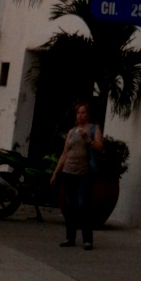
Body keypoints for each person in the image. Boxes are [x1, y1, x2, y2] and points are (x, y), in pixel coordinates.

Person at [50, 101, 103, 250]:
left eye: (83, 113)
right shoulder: (72, 131)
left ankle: (87, 239)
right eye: (78, 113)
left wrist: (88, 139)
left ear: (88, 115)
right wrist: (56, 173)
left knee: (83, 205)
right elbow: (65, 153)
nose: (80, 115)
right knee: (69, 205)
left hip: (83, 173)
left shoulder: (93, 129)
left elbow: (100, 147)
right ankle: (70, 237)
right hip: (69, 171)